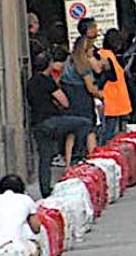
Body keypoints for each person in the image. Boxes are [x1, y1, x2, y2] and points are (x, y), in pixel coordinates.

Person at [27, 53, 91, 198]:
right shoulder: (47, 81)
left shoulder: (31, 82)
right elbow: (64, 101)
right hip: (52, 120)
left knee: (45, 157)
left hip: (37, 123)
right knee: (83, 123)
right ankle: (77, 157)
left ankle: (45, 190)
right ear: (48, 65)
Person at [61, 36, 104, 152]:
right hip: (83, 99)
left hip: (70, 99)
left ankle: (69, 163)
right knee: (90, 130)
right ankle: (93, 157)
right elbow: (90, 88)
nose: (93, 51)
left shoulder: (68, 62)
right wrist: (102, 95)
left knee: (72, 132)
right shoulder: (83, 65)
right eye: (91, 49)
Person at [99, 29, 132, 141]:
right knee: (109, 134)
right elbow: (111, 76)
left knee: (110, 132)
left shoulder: (107, 55)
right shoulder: (107, 56)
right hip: (112, 100)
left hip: (113, 101)